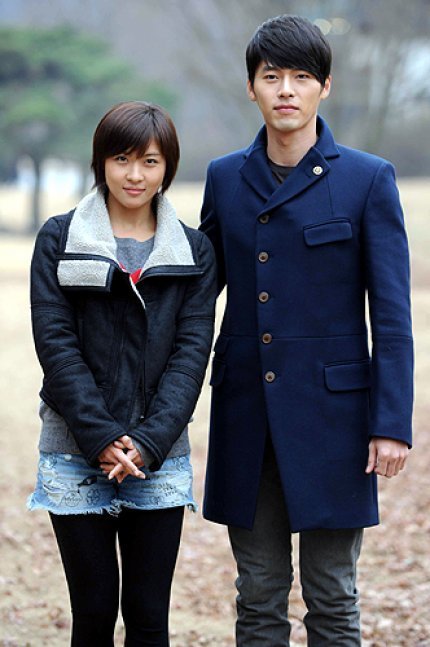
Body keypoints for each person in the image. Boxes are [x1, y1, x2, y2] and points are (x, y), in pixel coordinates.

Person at [200, 14, 413, 646]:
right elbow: (197, 294)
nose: (286, 90)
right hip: (246, 415)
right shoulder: (223, 177)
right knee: (258, 597)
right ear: (251, 88)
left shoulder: (367, 178)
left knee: (333, 597)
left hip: (335, 421)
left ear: (326, 86)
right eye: (272, 77)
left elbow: (392, 315)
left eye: (301, 76)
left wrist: (390, 422)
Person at [28, 101, 216, 647]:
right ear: (101, 162)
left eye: (150, 161)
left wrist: (150, 441)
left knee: (149, 616)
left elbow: (191, 354)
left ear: (168, 167)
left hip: (160, 456)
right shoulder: (60, 239)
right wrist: (103, 436)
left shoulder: (193, 251)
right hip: (73, 451)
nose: (136, 175)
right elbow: (56, 347)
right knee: (91, 616)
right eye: (122, 159)